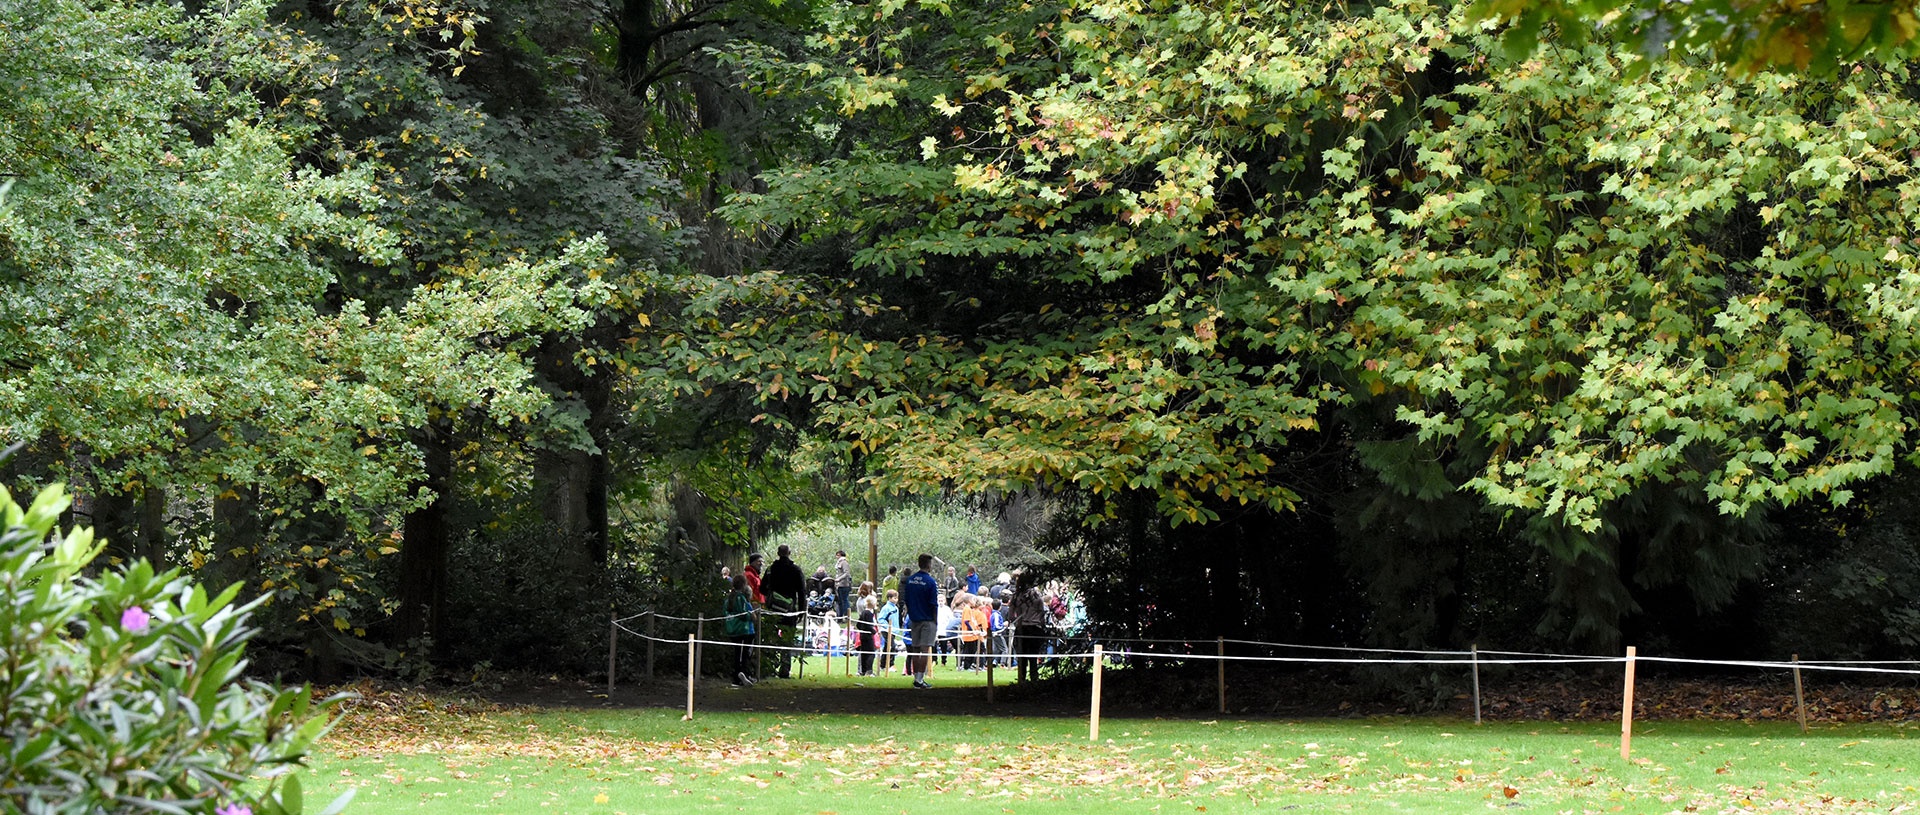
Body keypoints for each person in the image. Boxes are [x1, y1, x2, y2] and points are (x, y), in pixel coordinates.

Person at [762, 544, 807, 679]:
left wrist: (772, 596)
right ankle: (785, 669)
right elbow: (802, 592)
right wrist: (801, 610)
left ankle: (769, 666)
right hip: (789, 610)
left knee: (771, 637)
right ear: (789, 553)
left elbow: (762, 588)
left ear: (778, 553)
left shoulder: (771, 570)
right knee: (787, 639)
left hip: (773, 609)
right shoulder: (795, 570)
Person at [903, 553, 941, 689]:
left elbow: (906, 599)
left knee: (915, 649)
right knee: (925, 649)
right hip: (927, 619)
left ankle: (916, 678)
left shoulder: (910, 580)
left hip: (914, 619)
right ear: (929, 565)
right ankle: (919, 679)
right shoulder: (930, 582)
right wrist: (935, 620)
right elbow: (933, 603)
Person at [1009, 572, 1048, 683]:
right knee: (1033, 656)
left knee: (1022, 656)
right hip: (1034, 628)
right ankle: (1034, 679)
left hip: (1021, 628)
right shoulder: (1036, 595)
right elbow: (1042, 612)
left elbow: (1011, 615)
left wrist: (1018, 619)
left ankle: (1021, 679)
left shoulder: (1016, 596)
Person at [723, 574, 756, 687]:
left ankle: (736, 678)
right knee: (745, 654)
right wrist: (751, 616)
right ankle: (742, 674)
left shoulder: (728, 599)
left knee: (737, 653)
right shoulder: (740, 598)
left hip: (732, 630)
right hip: (743, 630)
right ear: (743, 585)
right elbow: (743, 614)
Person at [876, 589, 904, 674]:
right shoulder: (886, 608)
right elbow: (880, 619)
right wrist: (888, 626)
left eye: (897, 598)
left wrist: (897, 628)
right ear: (889, 598)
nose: (896, 600)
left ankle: (883, 665)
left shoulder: (895, 607)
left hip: (893, 631)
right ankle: (890, 664)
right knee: (892, 647)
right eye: (894, 598)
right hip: (886, 630)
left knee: (886, 648)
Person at [959, 595, 988, 670]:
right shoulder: (967, 609)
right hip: (969, 635)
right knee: (969, 651)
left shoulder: (969, 609)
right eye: (973, 600)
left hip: (973, 635)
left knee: (972, 650)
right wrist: (972, 631)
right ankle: (966, 666)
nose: (974, 601)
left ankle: (970, 665)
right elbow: (966, 621)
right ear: (969, 601)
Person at [855, 596, 879, 676]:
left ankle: (863, 670)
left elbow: (858, 624)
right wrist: (874, 631)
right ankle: (869, 670)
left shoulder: (863, 612)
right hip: (868, 636)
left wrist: (862, 630)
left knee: (864, 653)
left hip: (862, 635)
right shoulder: (869, 614)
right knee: (871, 653)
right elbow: (869, 625)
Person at [834, 550, 853, 619]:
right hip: (839, 585)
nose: (836, 557)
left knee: (844, 600)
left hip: (844, 585)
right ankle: (841, 615)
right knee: (840, 601)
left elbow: (846, 573)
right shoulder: (839, 563)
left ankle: (847, 615)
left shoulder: (844, 562)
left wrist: (839, 579)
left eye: (838, 555)